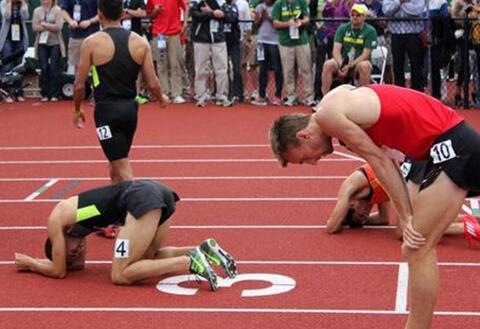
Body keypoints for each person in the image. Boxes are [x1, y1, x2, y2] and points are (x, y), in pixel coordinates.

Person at [269, 83, 480, 329]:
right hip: (433, 149)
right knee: (414, 243)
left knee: (417, 248)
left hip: (449, 142)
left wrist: (406, 215)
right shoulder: (333, 100)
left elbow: (379, 160)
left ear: (303, 136)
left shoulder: (328, 116)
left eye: (306, 158)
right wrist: (406, 213)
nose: (314, 162)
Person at [14, 179, 237, 290]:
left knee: (120, 275)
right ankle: (201, 250)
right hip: (157, 194)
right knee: (146, 260)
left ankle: (188, 261)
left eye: (69, 253)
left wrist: (31, 263)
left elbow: (59, 271)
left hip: (140, 198)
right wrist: (68, 260)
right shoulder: (78, 227)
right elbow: (77, 267)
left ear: (58, 243)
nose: (77, 254)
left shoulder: (57, 218)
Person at [73, 0, 169, 184]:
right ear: (123, 14)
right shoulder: (140, 43)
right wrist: (161, 99)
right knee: (115, 163)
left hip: (105, 113)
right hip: (130, 111)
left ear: (100, 14)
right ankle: (118, 209)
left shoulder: (91, 42)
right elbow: (153, 83)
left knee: (122, 167)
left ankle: (140, 206)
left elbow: (78, 85)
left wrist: (77, 109)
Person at [329, 162, 480, 239]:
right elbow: (384, 219)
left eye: (361, 214)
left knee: (406, 231)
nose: (367, 214)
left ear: (352, 205)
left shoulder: (353, 184)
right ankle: (473, 220)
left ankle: (468, 229)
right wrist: (361, 222)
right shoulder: (375, 196)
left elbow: (331, 227)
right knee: (427, 219)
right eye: (365, 217)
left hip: (414, 170)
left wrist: (343, 217)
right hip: (412, 179)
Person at [321, 4, 377, 97]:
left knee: (365, 66)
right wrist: (341, 64)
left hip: (358, 63)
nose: (354, 17)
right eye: (352, 15)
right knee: (328, 64)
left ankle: (363, 100)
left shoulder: (370, 31)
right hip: (342, 62)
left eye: (358, 15)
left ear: (364, 17)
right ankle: (325, 99)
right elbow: (336, 50)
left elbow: (366, 54)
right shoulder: (343, 27)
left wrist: (350, 65)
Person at [271, 0, 316, 106]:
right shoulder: (279, 3)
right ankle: (291, 95)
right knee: (288, 70)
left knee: (306, 69)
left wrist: (301, 22)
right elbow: (275, 23)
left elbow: (306, 18)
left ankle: (308, 96)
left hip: (301, 40)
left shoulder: (301, 2)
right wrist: (288, 23)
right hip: (285, 42)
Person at [146, 0, 188, 104]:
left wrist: (185, 23)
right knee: (161, 64)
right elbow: (149, 15)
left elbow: (185, 7)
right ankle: (164, 92)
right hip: (159, 34)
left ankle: (176, 93)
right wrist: (155, 11)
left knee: (175, 63)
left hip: (174, 32)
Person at [32, 0, 66, 102]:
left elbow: (58, 27)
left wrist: (44, 24)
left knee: (53, 67)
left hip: (55, 43)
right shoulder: (37, 11)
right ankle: (45, 93)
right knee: (44, 67)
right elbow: (34, 27)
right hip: (42, 43)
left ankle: (55, 93)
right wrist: (50, 25)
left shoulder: (57, 10)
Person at [0, 0, 29, 103]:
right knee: (7, 65)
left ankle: (19, 92)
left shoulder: (23, 3)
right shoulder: (4, 3)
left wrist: (23, 3)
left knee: (18, 66)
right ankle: (6, 92)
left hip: (20, 38)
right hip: (7, 38)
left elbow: (25, 17)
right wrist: (10, 3)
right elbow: (6, 16)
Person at [60, 0, 99, 73]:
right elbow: (63, 10)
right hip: (76, 36)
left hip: (92, 35)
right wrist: (70, 21)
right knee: (77, 65)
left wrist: (90, 21)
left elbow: (102, 13)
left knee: (94, 65)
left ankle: (94, 84)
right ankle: (79, 83)